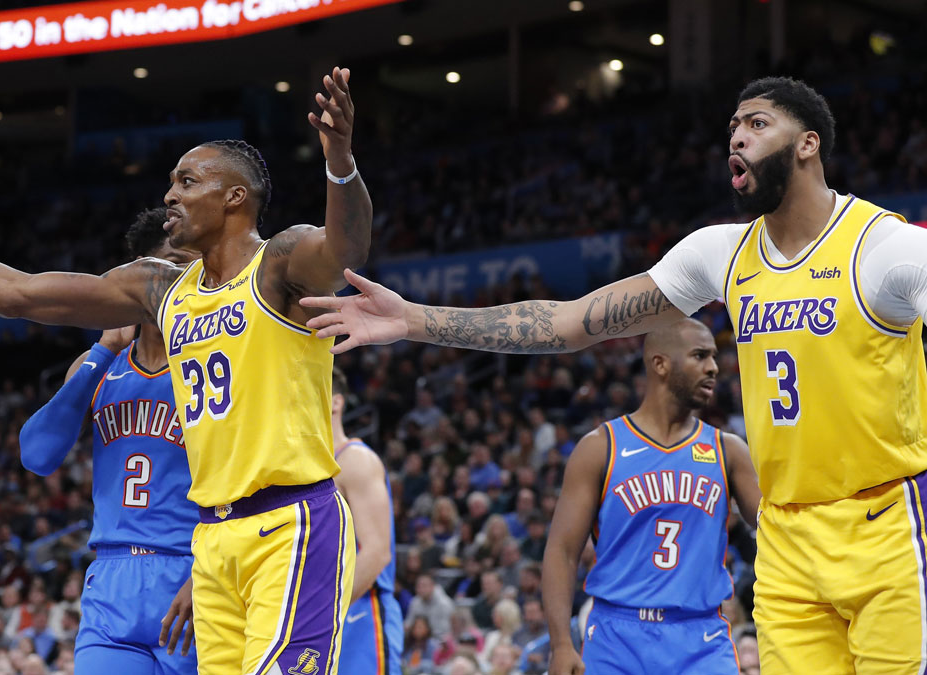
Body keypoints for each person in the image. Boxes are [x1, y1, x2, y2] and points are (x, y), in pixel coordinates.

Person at [302, 76, 927, 672]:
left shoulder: (885, 249)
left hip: (883, 523)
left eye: (757, 124)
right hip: (786, 539)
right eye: (732, 126)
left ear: (808, 143)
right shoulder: (723, 252)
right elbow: (571, 323)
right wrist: (413, 319)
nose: (736, 137)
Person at [0, 66, 371, 675]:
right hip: (211, 540)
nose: (169, 195)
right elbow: (18, 293)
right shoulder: (161, 288)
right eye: (171, 182)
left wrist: (339, 162)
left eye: (187, 181)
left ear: (234, 197)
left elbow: (346, 252)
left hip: (289, 521)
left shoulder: (278, 264)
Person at [18, 208, 199, 673]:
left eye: (194, 266)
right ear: (137, 277)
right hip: (111, 578)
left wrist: (208, 575)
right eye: (173, 264)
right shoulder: (101, 365)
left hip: (192, 572)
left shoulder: (216, 366)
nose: (185, 278)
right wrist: (102, 351)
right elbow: (37, 456)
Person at [541, 319, 761, 673]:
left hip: (701, 637)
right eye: (700, 356)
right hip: (616, 635)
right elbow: (562, 552)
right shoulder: (601, 448)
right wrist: (561, 644)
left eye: (714, 358)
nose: (713, 367)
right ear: (660, 364)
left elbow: (774, 525)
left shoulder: (728, 450)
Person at [330, 368, 403, 674]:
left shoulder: (355, 459)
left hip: (360, 609)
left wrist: (325, 611)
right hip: (320, 609)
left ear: (336, 402)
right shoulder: (298, 467)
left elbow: (376, 553)